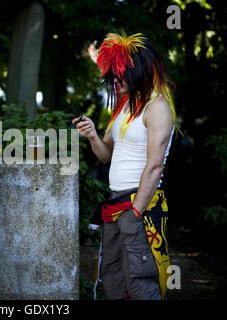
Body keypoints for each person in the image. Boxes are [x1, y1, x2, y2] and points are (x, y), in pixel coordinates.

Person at [74, 32, 176, 300]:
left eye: (117, 75)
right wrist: (93, 135)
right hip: (115, 205)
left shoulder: (157, 107)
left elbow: (155, 166)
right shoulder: (124, 109)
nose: (114, 82)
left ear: (135, 72)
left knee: (140, 282)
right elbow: (106, 155)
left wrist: (135, 211)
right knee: (114, 279)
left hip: (139, 206)